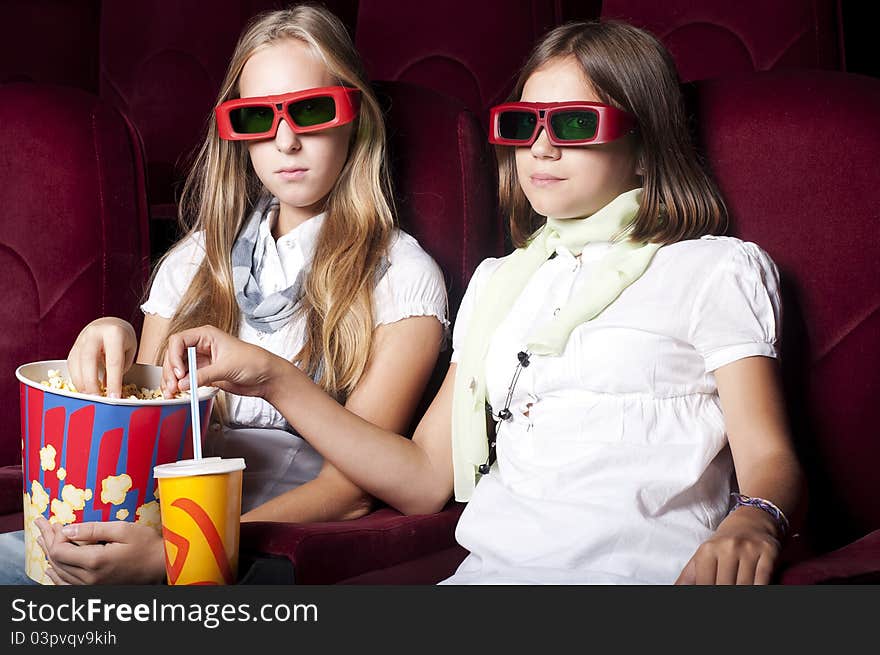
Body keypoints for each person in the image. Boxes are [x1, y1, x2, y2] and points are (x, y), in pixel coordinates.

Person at [164, 19, 806, 584]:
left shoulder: (712, 268)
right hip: (490, 578)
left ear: (645, 150)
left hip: (644, 572)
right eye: (524, 124)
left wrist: (757, 521)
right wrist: (272, 376)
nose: (541, 148)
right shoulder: (501, 285)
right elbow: (422, 482)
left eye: (577, 124)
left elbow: (770, 457)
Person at [3, 4, 447, 585]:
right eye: (257, 117)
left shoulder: (403, 275)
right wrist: (109, 339)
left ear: (354, 117)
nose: (285, 140)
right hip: (146, 519)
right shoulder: (197, 255)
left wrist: (179, 554)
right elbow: (144, 422)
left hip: (264, 545)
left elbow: (350, 493)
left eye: (311, 110)